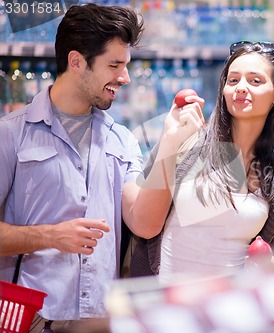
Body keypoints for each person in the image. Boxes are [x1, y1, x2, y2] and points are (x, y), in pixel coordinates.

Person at [0, 4, 204, 331]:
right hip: (30, 321)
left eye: (125, 66)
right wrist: (50, 236)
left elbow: (144, 222)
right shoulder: (11, 133)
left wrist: (170, 141)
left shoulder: (120, 139)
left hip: (99, 322)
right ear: (76, 61)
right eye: (114, 65)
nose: (124, 78)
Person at [126, 41, 274, 282]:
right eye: (233, 80)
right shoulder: (186, 141)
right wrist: (170, 141)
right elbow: (143, 223)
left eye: (255, 81)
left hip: (227, 308)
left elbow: (270, 256)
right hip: (165, 303)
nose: (241, 88)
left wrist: (265, 270)